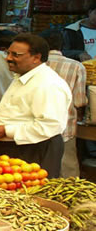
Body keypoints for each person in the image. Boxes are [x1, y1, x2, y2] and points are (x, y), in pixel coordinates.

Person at [0, 33, 72, 178]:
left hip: (33, 150)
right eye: (8, 53)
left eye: (16, 55)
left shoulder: (48, 84)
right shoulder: (22, 76)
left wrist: (6, 130)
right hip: (14, 148)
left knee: (31, 195)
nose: (8, 58)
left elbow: (49, 125)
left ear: (36, 58)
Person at [41, 29, 87, 178]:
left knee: (39, 168)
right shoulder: (76, 66)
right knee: (67, 168)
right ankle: (71, 201)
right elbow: (79, 101)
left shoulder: (35, 65)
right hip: (65, 125)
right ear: (62, 45)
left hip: (37, 125)